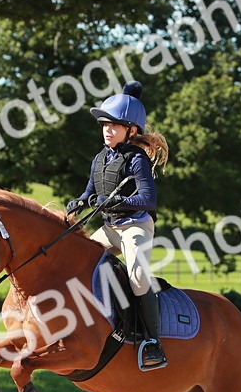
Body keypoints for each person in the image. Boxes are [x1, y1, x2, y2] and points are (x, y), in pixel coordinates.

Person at [67, 80, 170, 371]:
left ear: (132, 131)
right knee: (78, 262)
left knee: (138, 275)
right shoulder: (100, 158)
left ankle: (152, 342)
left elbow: (147, 201)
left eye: (114, 125)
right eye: (104, 125)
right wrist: (80, 201)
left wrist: (115, 202)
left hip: (135, 226)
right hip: (111, 228)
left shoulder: (136, 158)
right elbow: (90, 191)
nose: (107, 130)